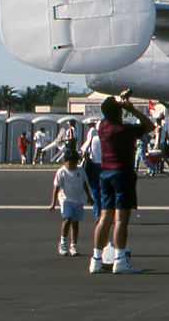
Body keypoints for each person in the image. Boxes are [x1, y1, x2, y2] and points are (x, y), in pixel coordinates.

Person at [90, 94, 154, 274]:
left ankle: (96, 258)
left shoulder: (102, 127)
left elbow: (108, 112)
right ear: (119, 112)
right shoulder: (124, 129)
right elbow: (150, 126)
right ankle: (119, 259)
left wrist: (118, 105)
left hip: (105, 173)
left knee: (105, 217)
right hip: (122, 173)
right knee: (121, 220)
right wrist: (131, 109)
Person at [48, 151, 90, 257]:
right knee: (67, 219)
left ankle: (73, 244)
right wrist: (53, 202)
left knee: (75, 223)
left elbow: (85, 184)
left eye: (73, 163)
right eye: (69, 163)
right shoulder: (61, 172)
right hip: (66, 199)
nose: (71, 165)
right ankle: (62, 243)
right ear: (65, 162)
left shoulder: (80, 171)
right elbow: (56, 187)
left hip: (78, 200)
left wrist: (89, 196)